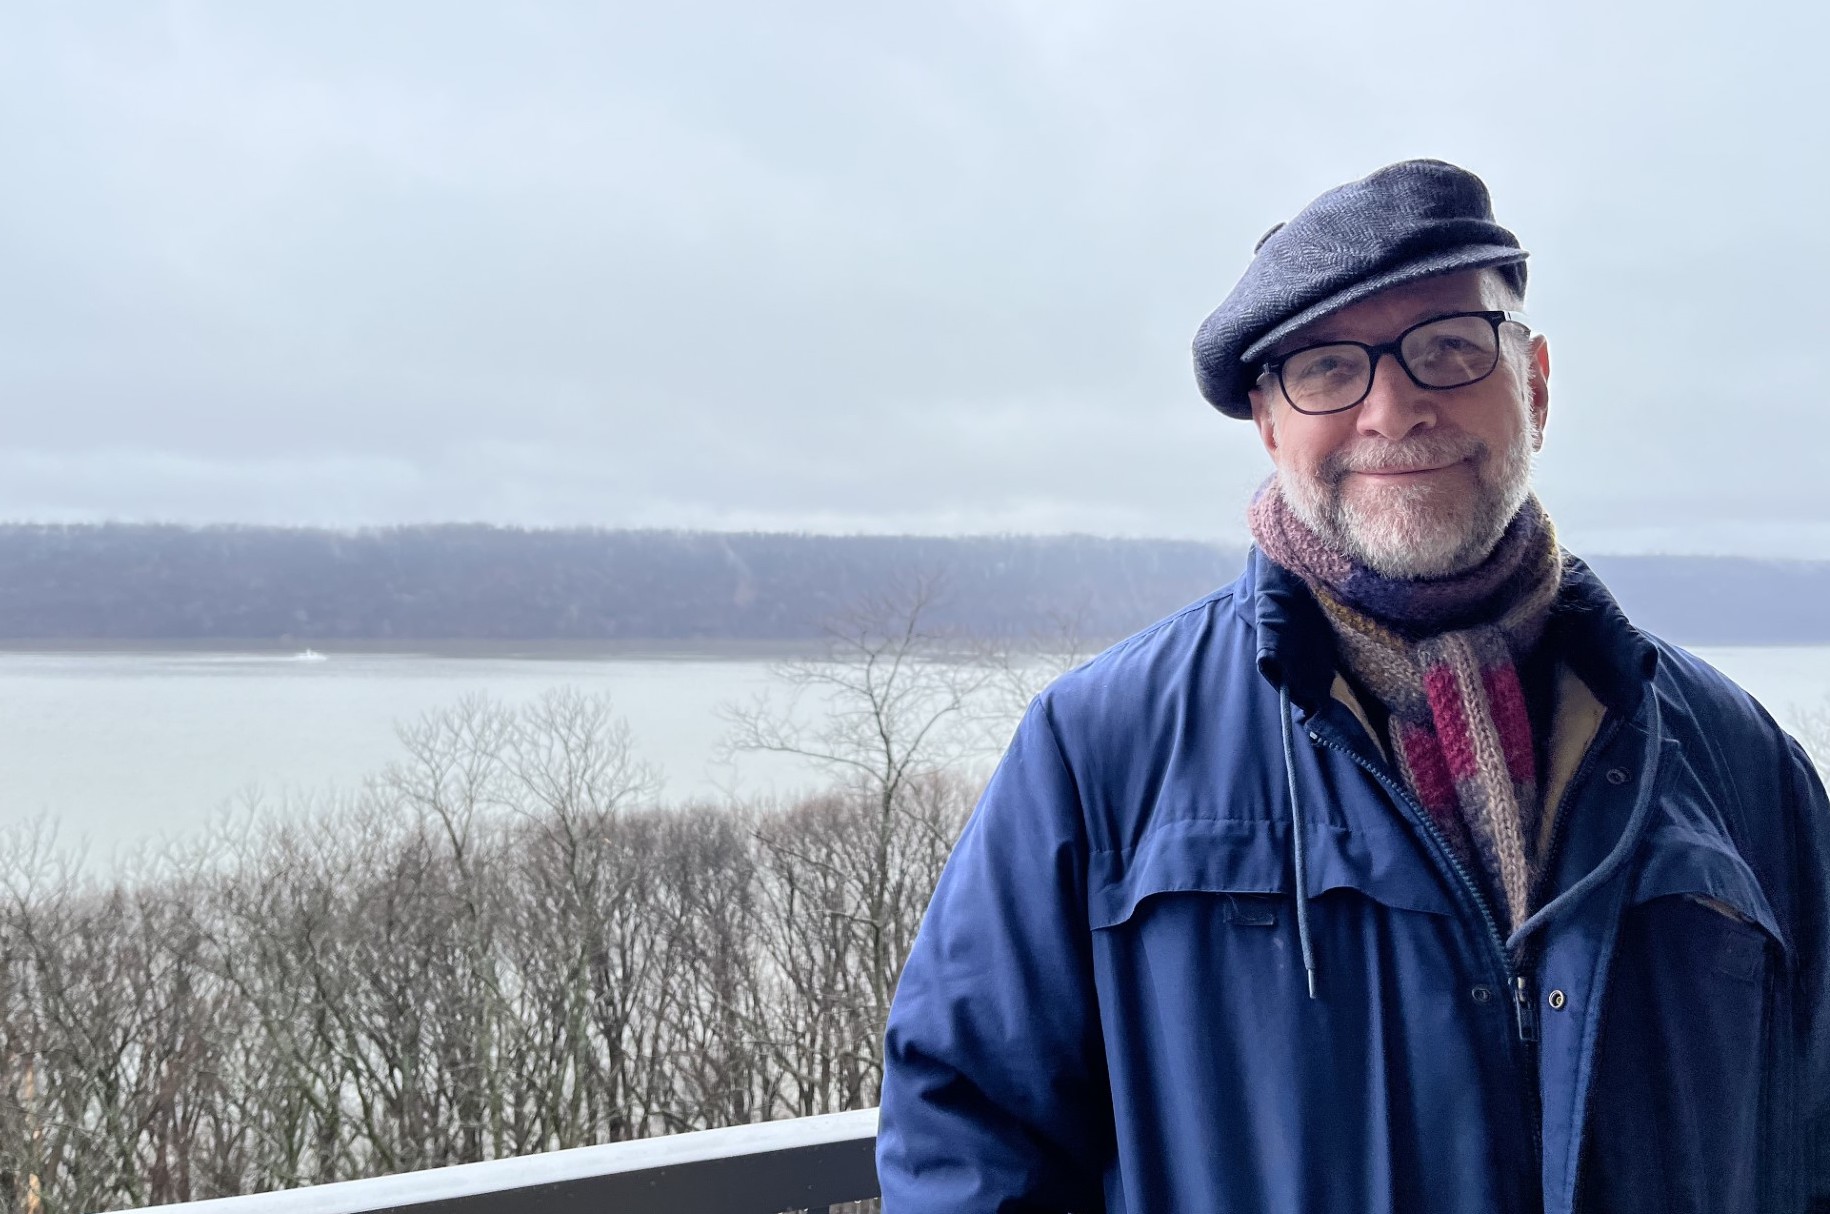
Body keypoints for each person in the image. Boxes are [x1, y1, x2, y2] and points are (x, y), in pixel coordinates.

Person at [876, 159, 1830, 1213]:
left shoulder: (1736, 762)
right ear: (1270, 423)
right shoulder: (1099, 756)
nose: (1394, 406)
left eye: (1450, 348)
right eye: (1328, 367)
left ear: (1537, 385)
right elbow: (965, 1141)